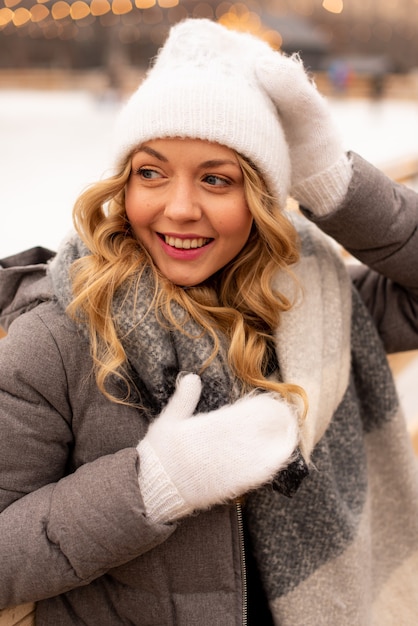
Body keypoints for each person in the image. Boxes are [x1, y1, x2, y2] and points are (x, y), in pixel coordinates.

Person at [1, 18, 418, 626]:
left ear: (261, 199)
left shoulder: (310, 302)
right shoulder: (60, 334)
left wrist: (339, 186)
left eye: (216, 179)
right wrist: (149, 487)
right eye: (151, 172)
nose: (178, 208)